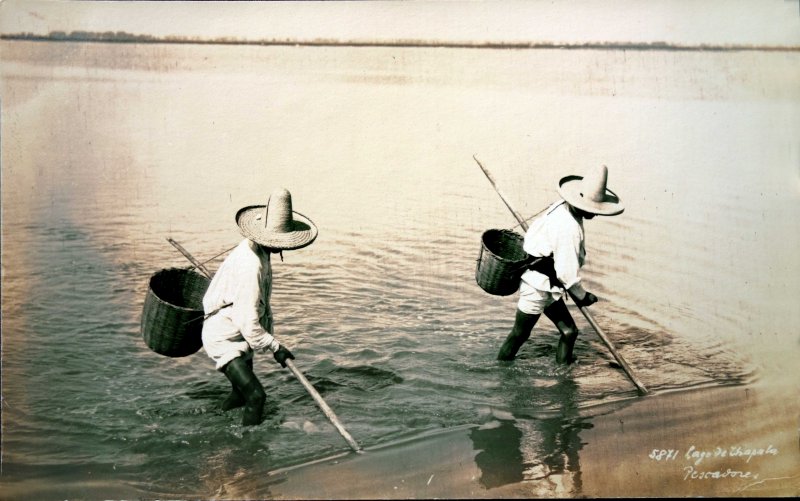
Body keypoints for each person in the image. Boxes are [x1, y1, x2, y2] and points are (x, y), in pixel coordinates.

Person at [201, 187, 318, 425]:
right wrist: (276, 347)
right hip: (225, 336)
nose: (283, 247)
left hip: (237, 331)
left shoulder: (259, 250)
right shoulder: (250, 266)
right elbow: (248, 322)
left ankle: (213, 425)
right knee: (256, 396)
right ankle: (248, 451)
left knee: (240, 395)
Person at [497, 165, 624, 364]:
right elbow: (567, 273)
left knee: (569, 331)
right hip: (536, 285)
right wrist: (583, 296)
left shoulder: (562, 206)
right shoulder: (569, 228)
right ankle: (500, 371)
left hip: (549, 283)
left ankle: (563, 377)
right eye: (593, 209)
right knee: (519, 335)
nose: (596, 214)